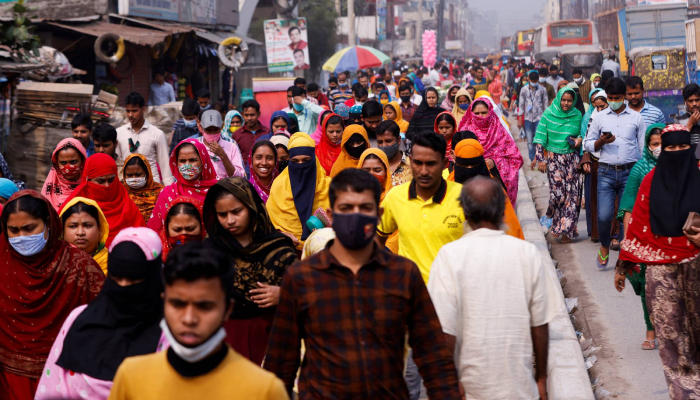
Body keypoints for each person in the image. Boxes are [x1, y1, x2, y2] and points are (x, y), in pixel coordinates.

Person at [264, 168, 462, 398]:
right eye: (346, 209)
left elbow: (433, 356)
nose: (355, 217)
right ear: (331, 214)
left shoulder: (403, 275)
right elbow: (281, 363)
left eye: (364, 208)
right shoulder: (302, 278)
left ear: (378, 214)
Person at [428, 176, 558, 400]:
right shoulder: (526, 253)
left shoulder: (449, 256)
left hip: (470, 390)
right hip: (519, 389)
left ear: (465, 213)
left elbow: (443, 330)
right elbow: (540, 325)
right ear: (501, 211)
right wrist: (541, 379)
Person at [109, 241, 288, 400]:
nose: (189, 319)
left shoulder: (265, 391)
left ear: (227, 309)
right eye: (178, 304)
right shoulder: (131, 378)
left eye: (204, 306)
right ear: (163, 303)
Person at [615, 125, 700, 399]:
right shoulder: (650, 181)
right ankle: (686, 393)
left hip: (697, 264)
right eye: (670, 148)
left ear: (691, 149)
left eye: (682, 148)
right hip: (660, 269)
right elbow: (638, 224)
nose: (676, 153)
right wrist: (623, 265)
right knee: (672, 336)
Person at [36, 227, 165, 400]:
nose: (124, 286)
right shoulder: (79, 320)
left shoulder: (170, 332)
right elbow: (53, 386)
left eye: (135, 279)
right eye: (117, 278)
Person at [0, 190, 104, 398]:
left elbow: (103, 319)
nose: (22, 237)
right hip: (7, 377)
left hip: (66, 376)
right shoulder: (2, 261)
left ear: (48, 223)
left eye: (30, 228)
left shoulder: (80, 265)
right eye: (14, 230)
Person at [203, 177, 297, 365]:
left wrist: (285, 294)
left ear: (252, 207)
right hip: (221, 338)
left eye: (237, 211)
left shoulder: (279, 250)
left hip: (272, 338)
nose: (230, 220)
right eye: (222, 214)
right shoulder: (210, 252)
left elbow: (308, 293)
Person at [584, 78, 647, 268]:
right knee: (603, 216)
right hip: (606, 172)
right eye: (610, 98)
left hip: (630, 172)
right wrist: (601, 142)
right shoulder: (599, 117)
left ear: (624, 97)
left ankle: (624, 256)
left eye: (617, 97)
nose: (613, 101)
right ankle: (604, 244)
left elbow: (643, 148)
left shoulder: (636, 118)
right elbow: (588, 143)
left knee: (625, 217)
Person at [614, 123, 664, 350]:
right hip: (646, 237)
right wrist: (629, 242)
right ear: (647, 145)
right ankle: (650, 330)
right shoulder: (640, 170)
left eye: (663, 144)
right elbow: (628, 208)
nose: (659, 148)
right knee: (648, 286)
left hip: (673, 236)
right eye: (655, 144)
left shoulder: (680, 169)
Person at [534, 87, 584, 243]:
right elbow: (540, 137)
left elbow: (584, 132)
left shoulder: (577, 115)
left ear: (573, 101)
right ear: (558, 99)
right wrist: (541, 159)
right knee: (558, 194)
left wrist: (579, 140)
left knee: (572, 196)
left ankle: (566, 231)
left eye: (569, 100)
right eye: (564, 100)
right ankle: (553, 217)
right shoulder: (548, 114)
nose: (566, 103)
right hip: (554, 160)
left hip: (572, 161)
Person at [62, 153, 145, 245]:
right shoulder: (75, 204)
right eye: (100, 181)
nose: (107, 186)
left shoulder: (126, 204)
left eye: (111, 180)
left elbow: (142, 239)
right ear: (88, 180)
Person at [448, 139, 524, 239]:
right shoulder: (448, 188)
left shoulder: (493, 190)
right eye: (464, 165)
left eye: (474, 165)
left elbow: (510, 225)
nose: (470, 169)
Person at [267, 132, 330, 251]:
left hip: (325, 252)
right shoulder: (279, 185)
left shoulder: (328, 186)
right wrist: (283, 235)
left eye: (306, 160)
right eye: (295, 161)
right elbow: (271, 222)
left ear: (314, 159)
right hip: (288, 252)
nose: (301, 165)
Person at [458, 98, 524, 204]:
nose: (480, 116)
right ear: (471, 113)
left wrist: (495, 162)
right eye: (477, 113)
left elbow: (515, 158)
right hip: (470, 183)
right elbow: (458, 158)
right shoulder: (464, 132)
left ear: (490, 112)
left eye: (484, 112)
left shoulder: (499, 131)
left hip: (495, 185)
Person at [147, 139, 219, 233]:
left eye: (192, 160)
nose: (187, 165)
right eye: (182, 161)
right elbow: (156, 229)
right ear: (176, 163)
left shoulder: (217, 191)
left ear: (203, 161)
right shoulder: (167, 193)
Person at [115, 92, 174, 185]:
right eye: (128, 111)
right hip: (128, 185)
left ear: (143, 109)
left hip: (152, 186)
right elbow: (118, 164)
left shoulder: (157, 134)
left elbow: (165, 165)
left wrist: (169, 189)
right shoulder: (119, 133)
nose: (130, 115)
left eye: (134, 111)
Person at [580, 89, 609, 242]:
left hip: (612, 162)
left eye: (602, 106)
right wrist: (586, 158)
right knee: (595, 199)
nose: (599, 110)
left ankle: (614, 234)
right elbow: (586, 140)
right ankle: (597, 233)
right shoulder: (592, 117)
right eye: (596, 106)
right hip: (596, 162)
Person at [60, 197, 109, 275]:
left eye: (87, 225)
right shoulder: (54, 263)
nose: (80, 232)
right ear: (62, 231)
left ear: (100, 229)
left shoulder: (113, 264)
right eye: (73, 226)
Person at [192, 109, 245, 179]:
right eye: (208, 130)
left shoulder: (231, 146)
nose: (212, 134)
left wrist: (223, 155)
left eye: (216, 130)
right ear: (201, 128)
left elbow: (239, 176)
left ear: (221, 126)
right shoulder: (194, 146)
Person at [42, 138, 87, 211]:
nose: (68, 168)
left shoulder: (90, 186)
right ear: (56, 164)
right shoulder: (48, 191)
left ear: (82, 161)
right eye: (63, 163)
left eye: (73, 162)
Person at [158, 196, 205, 261]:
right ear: (167, 229)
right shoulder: (157, 257)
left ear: (202, 226)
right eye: (177, 230)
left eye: (190, 229)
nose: (184, 235)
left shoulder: (214, 255)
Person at [518, 71, 550, 166]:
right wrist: (520, 118)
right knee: (529, 140)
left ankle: (539, 158)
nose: (534, 82)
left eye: (536, 80)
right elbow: (521, 104)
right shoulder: (524, 90)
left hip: (539, 117)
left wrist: (547, 119)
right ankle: (532, 158)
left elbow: (545, 103)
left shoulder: (542, 89)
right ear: (529, 79)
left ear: (538, 80)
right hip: (528, 118)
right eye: (532, 80)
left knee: (539, 139)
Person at [122, 153, 164, 223]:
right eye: (129, 175)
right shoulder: (121, 192)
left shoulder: (161, 192)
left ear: (147, 173)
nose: (134, 178)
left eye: (138, 174)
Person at [231, 100, 271, 169]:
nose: (249, 118)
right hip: (244, 174)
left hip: (263, 171)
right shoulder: (237, 135)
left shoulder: (267, 132)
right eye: (246, 115)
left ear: (258, 114)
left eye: (252, 115)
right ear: (243, 115)